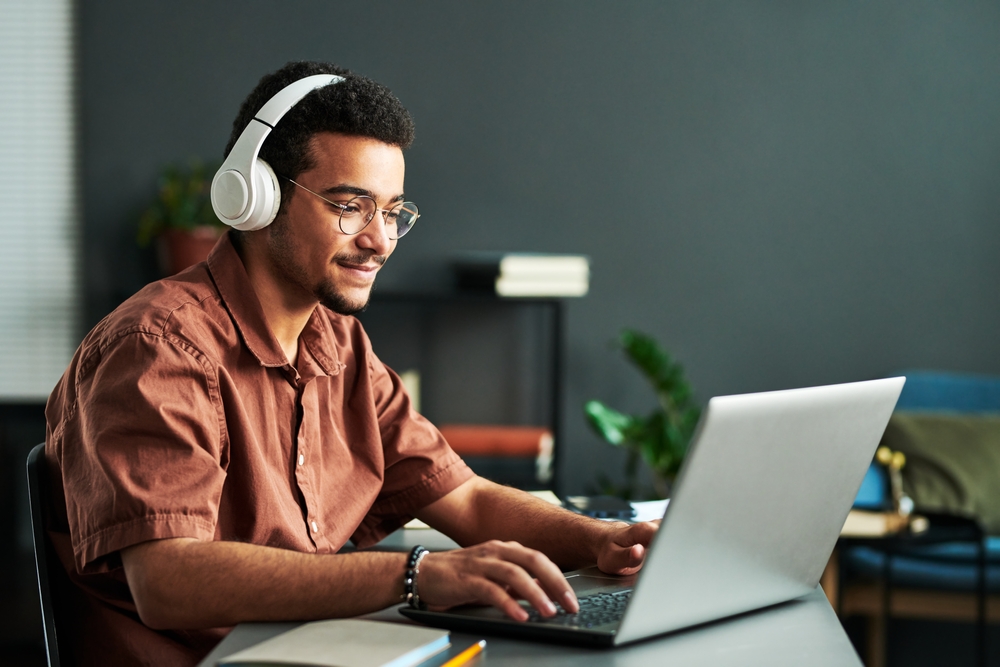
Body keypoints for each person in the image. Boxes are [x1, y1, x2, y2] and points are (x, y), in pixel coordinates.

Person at [44, 61, 658, 666]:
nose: (380, 239)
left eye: (392, 211)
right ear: (255, 197)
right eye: (350, 206)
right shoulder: (157, 346)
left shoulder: (340, 344)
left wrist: (605, 542)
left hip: (317, 649)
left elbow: (464, 500)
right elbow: (167, 578)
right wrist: (416, 574)